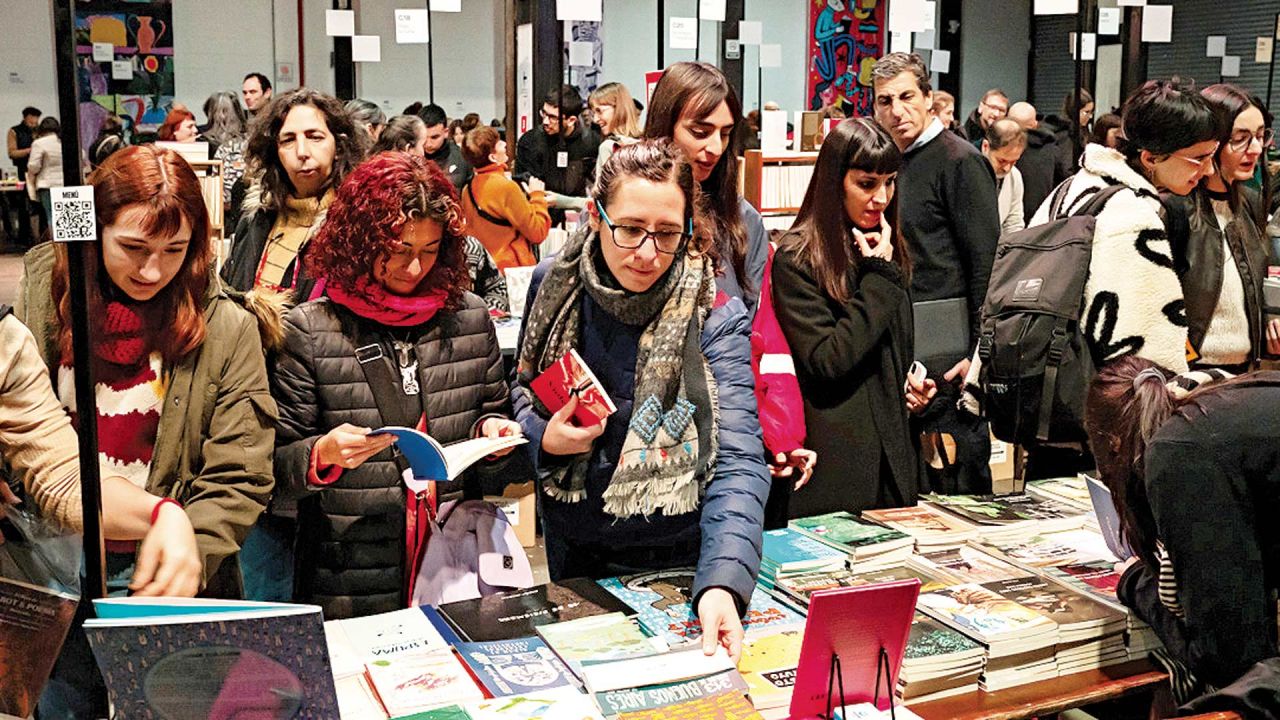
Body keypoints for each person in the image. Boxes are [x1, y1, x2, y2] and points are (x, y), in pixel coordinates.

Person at [16, 145, 278, 717]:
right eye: (132, 248)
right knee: (63, 704)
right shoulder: (43, 298)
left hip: (168, 571)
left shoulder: (226, 326)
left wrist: (188, 553)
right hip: (57, 563)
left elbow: (240, 471)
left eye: (174, 251)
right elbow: (18, 424)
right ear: (94, 231)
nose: (153, 271)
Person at [511, 140, 770, 661]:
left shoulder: (712, 309)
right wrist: (544, 437)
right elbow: (522, 387)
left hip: (681, 554)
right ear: (595, 216)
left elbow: (740, 458)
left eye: (668, 234)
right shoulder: (555, 286)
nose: (648, 253)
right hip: (576, 550)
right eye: (630, 229)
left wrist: (723, 582)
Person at [273, 151, 524, 619]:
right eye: (397, 250)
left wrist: (496, 434)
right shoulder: (311, 328)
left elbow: (494, 409)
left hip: (455, 563)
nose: (413, 269)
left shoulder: (467, 316)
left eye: (428, 251)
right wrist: (320, 456)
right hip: (348, 572)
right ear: (360, 241)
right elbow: (274, 469)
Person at [645, 62, 815, 503]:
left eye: (724, 133)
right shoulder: (628, 213)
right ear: (665, 125)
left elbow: (761, 342)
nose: (714, 147)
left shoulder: (744, 223)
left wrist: (777, 431)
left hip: (729, 433)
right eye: (700, 131)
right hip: (645, 427)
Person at [1084, 357, 1280, 705]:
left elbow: (1233, 661)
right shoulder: (1220, 406)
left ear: (1112, 446)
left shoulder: (1180, 450)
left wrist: (1135, 584)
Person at [772, 118, 930, 516]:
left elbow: (889, 346)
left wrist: (912, 385)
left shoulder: (888, 244)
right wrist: (879, 279)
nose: (881, 197)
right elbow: (828, 359)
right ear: (835, 182)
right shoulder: (798, 256)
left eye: (889, 182)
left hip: (892, 450)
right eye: (867, 183)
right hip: (835, 462)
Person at [1027, 79, 1221, 376]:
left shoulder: (1072, 187)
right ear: (1151, 157)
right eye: (1199, 158)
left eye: (1212, 154)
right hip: (1094, 403)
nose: (1208, 170)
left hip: (1033, 377)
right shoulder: (1132, 215)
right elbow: (1149, 356)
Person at [871, 52, 999, 494]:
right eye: (885, 101)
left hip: (952, 360)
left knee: (957, 490)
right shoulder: (886, 165)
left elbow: (986, 263)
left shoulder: (959, 161)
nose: (897, 110)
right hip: (905, 346)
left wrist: (977, 353)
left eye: (907, 96)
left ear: (929, 99)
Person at [1162, 84, 1277, 371]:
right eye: (1240, 139)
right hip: (1190, 372)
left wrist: (1272, 319)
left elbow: (1251, 284)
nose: (1255, 148)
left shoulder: (1252, 202)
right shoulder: (1175, 207)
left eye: (1261, 136)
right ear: (1212, 141)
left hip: (1242, 371)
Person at [221, 88, 368, 298]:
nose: (302, 152)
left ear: (339, 146)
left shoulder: (356, 226)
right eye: (288, 140)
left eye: (315, 137)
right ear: (275, 152)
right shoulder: (256, 219)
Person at [460, 125, 550, 271]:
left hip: (485, 270)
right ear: (492, 157)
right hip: (511, 270)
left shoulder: (467, 190)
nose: (504, 144)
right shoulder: (506, 188)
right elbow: (537, 232)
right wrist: (537, 196)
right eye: (499, 143)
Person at [515, 85, 601, 214]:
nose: (545, 121)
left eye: (552, 117)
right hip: (540, 212)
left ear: (571, 120)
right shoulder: (530, 141)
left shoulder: (591, 142)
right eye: (543, 113)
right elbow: (522, 183)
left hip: (576, 214)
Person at [1009, 100, 1073, 222]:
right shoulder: (1052, 149)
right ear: (1035, 123)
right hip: (1042, 219)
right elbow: (1063, 179)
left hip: (1009, 218)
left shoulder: (1004, 147)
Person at [983, 119, 1028, 234]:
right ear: (985, 147)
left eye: (1013, 162)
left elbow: (1014, 223)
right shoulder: (965, 170)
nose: (1007, 168)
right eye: (1002, 161)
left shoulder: (1015, 176)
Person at [589, 82, 643, 176]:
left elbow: (603, 189)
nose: (595, 119)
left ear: (618, 108)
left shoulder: (608, 147)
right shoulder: (647, 144)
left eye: (599, 111)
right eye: (594, 113)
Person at [417, 103, 473, 192]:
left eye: (434, 137)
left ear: (446, 132)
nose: (428, 144)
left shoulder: (463, 157)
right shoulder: (410, 159)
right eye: (423, 138)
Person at [5, 106, 40, 244]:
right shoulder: (14, 131)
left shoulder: (39, 131)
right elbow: (12, 152)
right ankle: (24, 237)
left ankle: (39, 236)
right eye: (32, 120)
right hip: (22, 171)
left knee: (38, 206)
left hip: (38, 172)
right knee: (23, 205)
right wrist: (29, 151)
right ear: (26, 117)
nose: (34, 123)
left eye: (36, 120)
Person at [26, 116, 64, 227]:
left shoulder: (39, 143)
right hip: (66, 185)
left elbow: (34, 166)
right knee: (64, 218)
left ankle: (56, 244)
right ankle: (66, 244)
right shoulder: (64, 141)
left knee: (52, 218)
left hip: (48, 186)